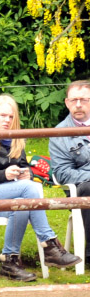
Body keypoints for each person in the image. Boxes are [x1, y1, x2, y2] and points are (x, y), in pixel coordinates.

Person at [0, 94, 81, 281]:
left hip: (9, 198)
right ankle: (50, 244)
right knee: (28, 190)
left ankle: (10, 262)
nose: (7, 120)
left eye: (11, 117)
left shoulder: (15, 139)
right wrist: (4, 175)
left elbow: (24, 167)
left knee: (22, 204)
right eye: (3, 115)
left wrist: (28, 174)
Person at [49, 80, 90, 263]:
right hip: (81, 186)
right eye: (74, 100)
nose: (78, 105)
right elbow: (62, 173)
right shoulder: (60, 133)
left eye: (83, 99)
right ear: (67, 103)